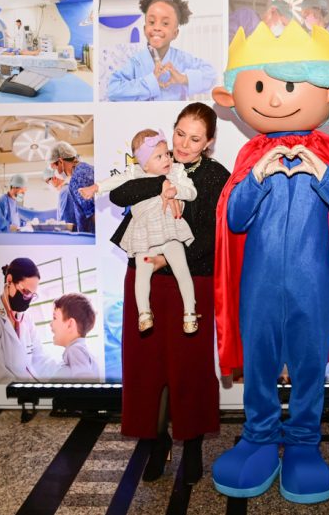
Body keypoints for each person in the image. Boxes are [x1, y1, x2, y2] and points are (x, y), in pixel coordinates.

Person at [210, 20, 329, 504]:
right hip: (258, 284)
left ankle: (303, 442)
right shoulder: (251, 154)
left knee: (308, 365)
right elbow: (234, 220)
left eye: (288, 86)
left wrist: (324, 174)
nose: (276, 100)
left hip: (312, 283)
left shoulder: (328, 152)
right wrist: (255, 179)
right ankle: (259, 437)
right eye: (262, 88)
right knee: (259, 362)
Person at [109, 102, 228, 486]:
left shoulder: (215, 176)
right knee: (144, 365)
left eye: (195, 138)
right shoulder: (154, 162)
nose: (184, 144)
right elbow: (119, 195)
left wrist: (169, 258)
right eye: (180, 133)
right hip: (144, 277)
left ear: (208, 142)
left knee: (190, 367)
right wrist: (160, 183)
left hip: (191, 279)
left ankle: (191, 446)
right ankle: (155, 442)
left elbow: (214, 236)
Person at [80, 129, 200, 334]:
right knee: (142, 273)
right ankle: (144, 313)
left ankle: (190, 312)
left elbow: (192, 192)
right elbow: (116, 183)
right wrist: (95, 188)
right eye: (159, 156)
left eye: (167, 154)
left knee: (182, 269)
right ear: (145, 165)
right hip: (144, 236)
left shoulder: (176, 172)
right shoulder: (136, 174)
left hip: (170, 232)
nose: (166, 159)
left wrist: (176, 191)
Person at [106, 0, 217, 101]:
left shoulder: (181, 59)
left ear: (175, 33)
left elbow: (212, 76)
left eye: (165, 23)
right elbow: (113, 90)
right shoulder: (137, 62)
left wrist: (183, 78)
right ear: (144, 29)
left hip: (174, 112)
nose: (157, 28)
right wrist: (150, 82)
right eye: (152, 22)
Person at [0, 257, 52, 384]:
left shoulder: (26, 318)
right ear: (9, 280)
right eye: (25, 292)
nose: (28, 299)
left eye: (32, 295)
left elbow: (39, 358)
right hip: (6, 392)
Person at [48, 293, 99, 380]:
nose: (50, 323)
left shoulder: (75, 349)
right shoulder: (79, 349)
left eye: (54, 318)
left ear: (70, 324)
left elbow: (84, 378)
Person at [48, 141, 94, 233]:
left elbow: (92, 214)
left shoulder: (78, 177)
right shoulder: (86, 169)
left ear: (60, 161)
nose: (56, 173)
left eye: (55, 168)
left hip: (92, 236)